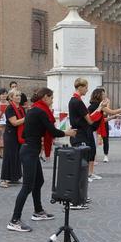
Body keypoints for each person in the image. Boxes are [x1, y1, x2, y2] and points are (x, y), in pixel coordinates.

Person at [7, 87, 76, 232]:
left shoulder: (35, 110)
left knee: (39, 181)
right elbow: (53, 131)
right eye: (51, 98)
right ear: (45, 97)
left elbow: (26, 132)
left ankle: (38, 211)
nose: (52, 101)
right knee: (27, 186)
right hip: (29, 151)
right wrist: (68, 133)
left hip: (30, 150)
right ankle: (14, 220)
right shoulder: (40, 111)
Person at [67, 78, 104, 181]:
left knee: (84, 155)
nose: (87, 90)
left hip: (79, 132)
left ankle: (85, 175)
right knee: (81, 157)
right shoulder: (78, 102)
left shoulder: (73, 100)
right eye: (86, 88)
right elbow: (90, 120)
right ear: (80, 87)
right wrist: (100, 108)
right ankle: (81, 177)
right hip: (80, 133)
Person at [88, 87, 121, 169]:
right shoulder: (97, 106)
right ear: (99, 95)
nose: (105, 95)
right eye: (103, 94)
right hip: (90, 130)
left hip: (93, 130)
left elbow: (103, 119)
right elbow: (113, 111)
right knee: (91, 151)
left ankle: (91, 173)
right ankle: (89, 173)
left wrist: (114, 117)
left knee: (93, 150)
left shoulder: (97, 105)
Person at [0, 89, 25, 188]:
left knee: (17, 157)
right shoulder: (10, 108)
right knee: (9, 156)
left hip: (19, 135)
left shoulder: (21, 108)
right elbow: (14, 122)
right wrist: (27, 118)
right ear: (11, 97)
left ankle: (14, 177)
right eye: (16, 95)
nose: (19, 97)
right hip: (10, 135)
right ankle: (4, 179)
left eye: (19, 95)